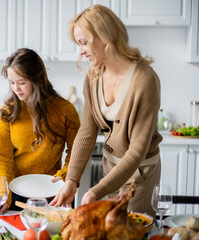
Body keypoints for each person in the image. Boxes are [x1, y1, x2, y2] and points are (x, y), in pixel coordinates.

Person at [50, 5, 162, 217]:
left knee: (134, 231)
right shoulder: (93, 76)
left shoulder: (145, 80)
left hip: (140, 173)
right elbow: (86, 132)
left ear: (105, 36)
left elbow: (137, 151)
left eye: (84, 42)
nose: (80, 51)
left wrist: (97, 190)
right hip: (111, 169)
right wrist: (72, 180)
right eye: (78, 44)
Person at [0, 48, 81, 214]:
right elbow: (3, 158)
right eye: (12, 82)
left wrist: (64, 176)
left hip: (54, 193)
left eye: (21, 82)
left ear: (37, 79)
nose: (16, 89)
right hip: (15, 194)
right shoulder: (7, 112)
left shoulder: (65, 110)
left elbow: (76, 151)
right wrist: (4, 193)